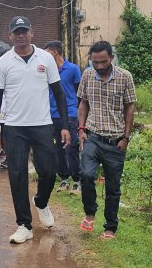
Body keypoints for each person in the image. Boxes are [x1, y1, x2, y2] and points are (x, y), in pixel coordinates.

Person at [0, 16, 70, 245]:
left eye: (24, 31)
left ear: (32, 33)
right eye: (17, 32)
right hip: (14, 127)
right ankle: (24, 225)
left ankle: (41, 202)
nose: (21, 35)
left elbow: (59, 94)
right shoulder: (4, 62)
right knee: (17, 175)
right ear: (10, 35)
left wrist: (64, 125)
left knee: (49, 170)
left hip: (42, 124)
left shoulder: (45, 59)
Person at [77, 40, 137, 240]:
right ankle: (90, 212)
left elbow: (130, 108)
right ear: (91, 60)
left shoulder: (124, 77)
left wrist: (126, 137)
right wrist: (81, 130)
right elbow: (83, 103)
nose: (100, 66)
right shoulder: (87, 75)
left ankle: (110, 227)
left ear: (111, 58)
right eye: (95, 62)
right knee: (86, 174)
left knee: (113, 187)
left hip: (116, 141)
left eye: (104, 62)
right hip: (92, 136)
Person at [45, 40, 83, 194]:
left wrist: (80, 115)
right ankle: (64, 178)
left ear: (54, 52)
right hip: (52, 114)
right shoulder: (47, 70)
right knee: (57, 148)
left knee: (71, 146)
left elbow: (79, 93)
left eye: (47, 52)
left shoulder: (73, 69)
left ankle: (77, 180)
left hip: (70, 114)